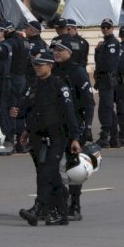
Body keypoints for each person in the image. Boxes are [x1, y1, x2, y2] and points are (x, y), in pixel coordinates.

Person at [14, 52, 81, 226]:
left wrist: (75, 138)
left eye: (41, 64)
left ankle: (38, 208)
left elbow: (69, 113)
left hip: (57, 136)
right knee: (51, 176)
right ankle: (61, 213)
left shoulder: (59, 85)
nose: (37, 67)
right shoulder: (35, 85)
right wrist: (26, 129)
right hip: (38, 136)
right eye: (35, 64)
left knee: (48, 172)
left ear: (50, 66)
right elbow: (30, 109)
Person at [52, 36, 95, 221]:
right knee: (52, 168)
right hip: (55, 126)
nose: (56, 52)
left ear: (69, 52)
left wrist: (87, 127)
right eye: (54, 49)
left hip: (74, 126)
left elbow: (89, 102)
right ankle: (53, 203)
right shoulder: (52, 70)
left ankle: (75, 206)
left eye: (60, 49)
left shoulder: (77, 72)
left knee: (73, 169)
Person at [94, 18, 120, 148]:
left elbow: (109, 64)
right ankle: (114, 137)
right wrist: (98, 50)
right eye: (103, 27)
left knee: (105, 108)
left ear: (112, 28)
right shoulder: (104, 43)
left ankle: (105, 136)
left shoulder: (112, 44)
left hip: (107, 80)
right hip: (103, 79)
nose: (105, 29)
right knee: (108, 108)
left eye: (107, 27)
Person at [5, 22, 31, 153]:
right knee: (19, 111)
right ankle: (20, 143)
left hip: (13, 78)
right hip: (22, 78)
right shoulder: (25, 41)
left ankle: (10, 141)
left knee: (11, 110)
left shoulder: (10, 43)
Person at [0, 22, 15, 152]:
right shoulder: (4, 45)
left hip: (3, 81)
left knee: (2, 111)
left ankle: (8, 140)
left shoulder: (4, 46)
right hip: (2, 80)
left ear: (3, 32)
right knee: (0, 110)